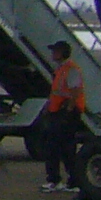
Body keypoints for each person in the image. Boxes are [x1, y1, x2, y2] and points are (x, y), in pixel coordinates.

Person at [38, 41, 84, 192]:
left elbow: (75, 91)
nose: (53, 54)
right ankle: (70, 181)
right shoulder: (62, 69)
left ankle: (57, 180)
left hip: (65, 113)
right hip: (59, 111)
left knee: (58, 147)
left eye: (56, 51)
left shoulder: (70, 69)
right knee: (63, 147)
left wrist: (68, 110)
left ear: (63, 52)